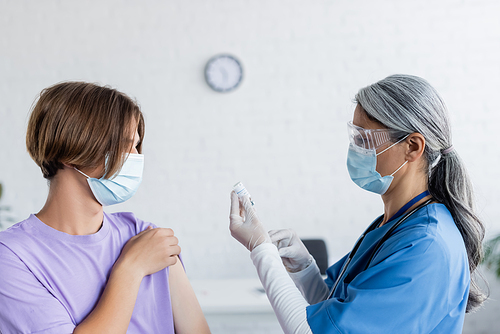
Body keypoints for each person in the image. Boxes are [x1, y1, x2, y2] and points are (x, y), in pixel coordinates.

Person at [229, 74, 486, 333]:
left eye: (365, 140)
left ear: (412, 146)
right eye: (354, 138)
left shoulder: (425, 245)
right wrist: (304, 268)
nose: (355, 150)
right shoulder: (395, 223)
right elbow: (338, 312)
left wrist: (261, 250)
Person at [0, 82, 211, 333]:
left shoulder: (146, 236)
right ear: (70, 149)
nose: (135, 157)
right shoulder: (14, 257)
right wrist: (130, 269)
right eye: (124, 144)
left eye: (136, 145)